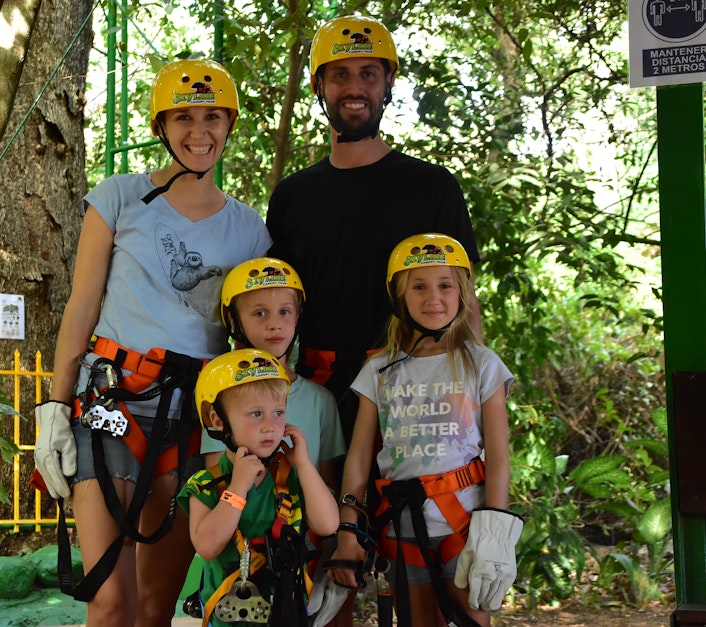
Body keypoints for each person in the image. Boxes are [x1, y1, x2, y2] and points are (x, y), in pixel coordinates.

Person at [32, 58, 272, 627]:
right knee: (109, 603)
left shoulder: (250, 230)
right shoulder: (118, 197)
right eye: (183, 117)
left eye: (213, 116)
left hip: (195, 415)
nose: (199, 131)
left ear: (229, 124)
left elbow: (257, 332)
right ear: (161, 125)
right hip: (112, 404)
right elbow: (82, 305)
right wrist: (52, 405)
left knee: (154, 607)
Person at [266, 15, 482, 446]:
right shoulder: (292, 196)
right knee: (318, 512)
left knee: (409, 513)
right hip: (318, 389)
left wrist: (474, 396)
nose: (355, 87)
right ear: (318, 86)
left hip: (417, 384)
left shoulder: (432, 186)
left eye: (369, 74)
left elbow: (465, 301)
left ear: (388, 83)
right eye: (340, 75)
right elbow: (277, 306)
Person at [328, 233, 522, 627]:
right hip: (401, 526)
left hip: (465, 525)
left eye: (445, 285)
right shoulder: (379, 370)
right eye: (419, 286)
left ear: (462, 292)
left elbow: (499, 455)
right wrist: (349, 527)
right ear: (400, 296)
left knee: (472, 620)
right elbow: (360, 456)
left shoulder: (482, 364)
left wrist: (496, 533)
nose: (433, 297)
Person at [178, 348, 339, 626]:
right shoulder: (206, 484)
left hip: (287, 614)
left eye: (278, 412)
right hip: (228, 617)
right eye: (255, 414)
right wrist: (238, 487)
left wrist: (303, 464)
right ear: (218, 421)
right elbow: (206, 546)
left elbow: (327, 525)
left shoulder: (294, 477)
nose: (270, 426)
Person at [201, 257, 345, 481]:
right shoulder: (221, 396)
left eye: (285, 312)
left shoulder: (321, 401)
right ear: (232, 320)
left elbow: (329, 486)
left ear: (297, 316)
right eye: (260, 313)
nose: (275, 324)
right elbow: (215, 484)